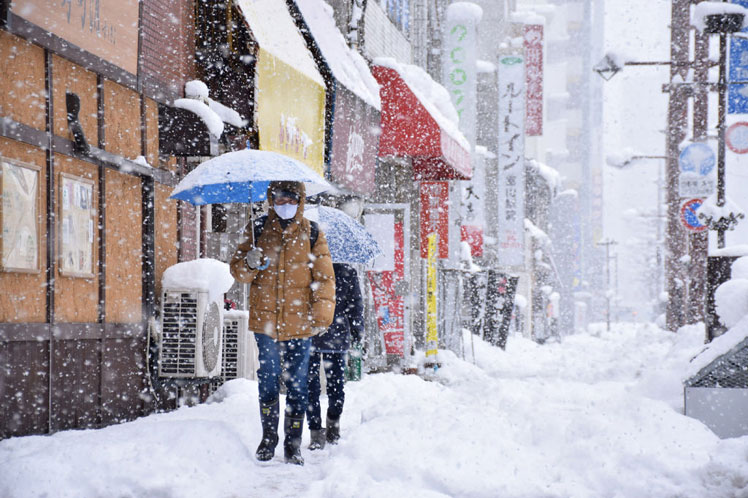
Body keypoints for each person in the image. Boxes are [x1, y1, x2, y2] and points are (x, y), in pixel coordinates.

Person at [230, 181, 335, 466]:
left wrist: (321, 317)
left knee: (298, 383)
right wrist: (249, 263)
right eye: (279, 199)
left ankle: (293, 444)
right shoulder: (258, 228)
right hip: (266, 321)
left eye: (290, 199)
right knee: (267, 378)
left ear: (300, 200)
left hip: (300, 323)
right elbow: (239, 272)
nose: (284, 204)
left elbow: (324, 280)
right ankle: (268, 439)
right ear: (271, 199)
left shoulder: (312, 233)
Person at [306, 262, 364, 450]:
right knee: (336, 385)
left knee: (311, 386)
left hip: (310, 333)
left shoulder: (308, 266)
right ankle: (333, 425)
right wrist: (356, 330)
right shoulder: (346, 271)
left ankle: (316, 432)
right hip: (337, 336)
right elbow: (355, 304)